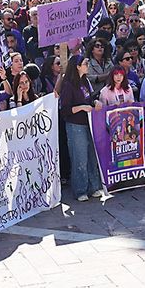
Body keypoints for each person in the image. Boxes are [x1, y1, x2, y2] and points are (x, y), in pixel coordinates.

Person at [57, 56, 102, 202]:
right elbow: (65, 109)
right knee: (79, 157)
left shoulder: (85, 81)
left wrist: (95, 101)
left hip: (88, 123)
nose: (87, 65)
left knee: (91, 156)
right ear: (77, 66)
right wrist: (82, 107)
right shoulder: (69, 84)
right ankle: (80, 190)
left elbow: (89, 98)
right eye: (85, 63)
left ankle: (94, 186)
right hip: (75, 125)